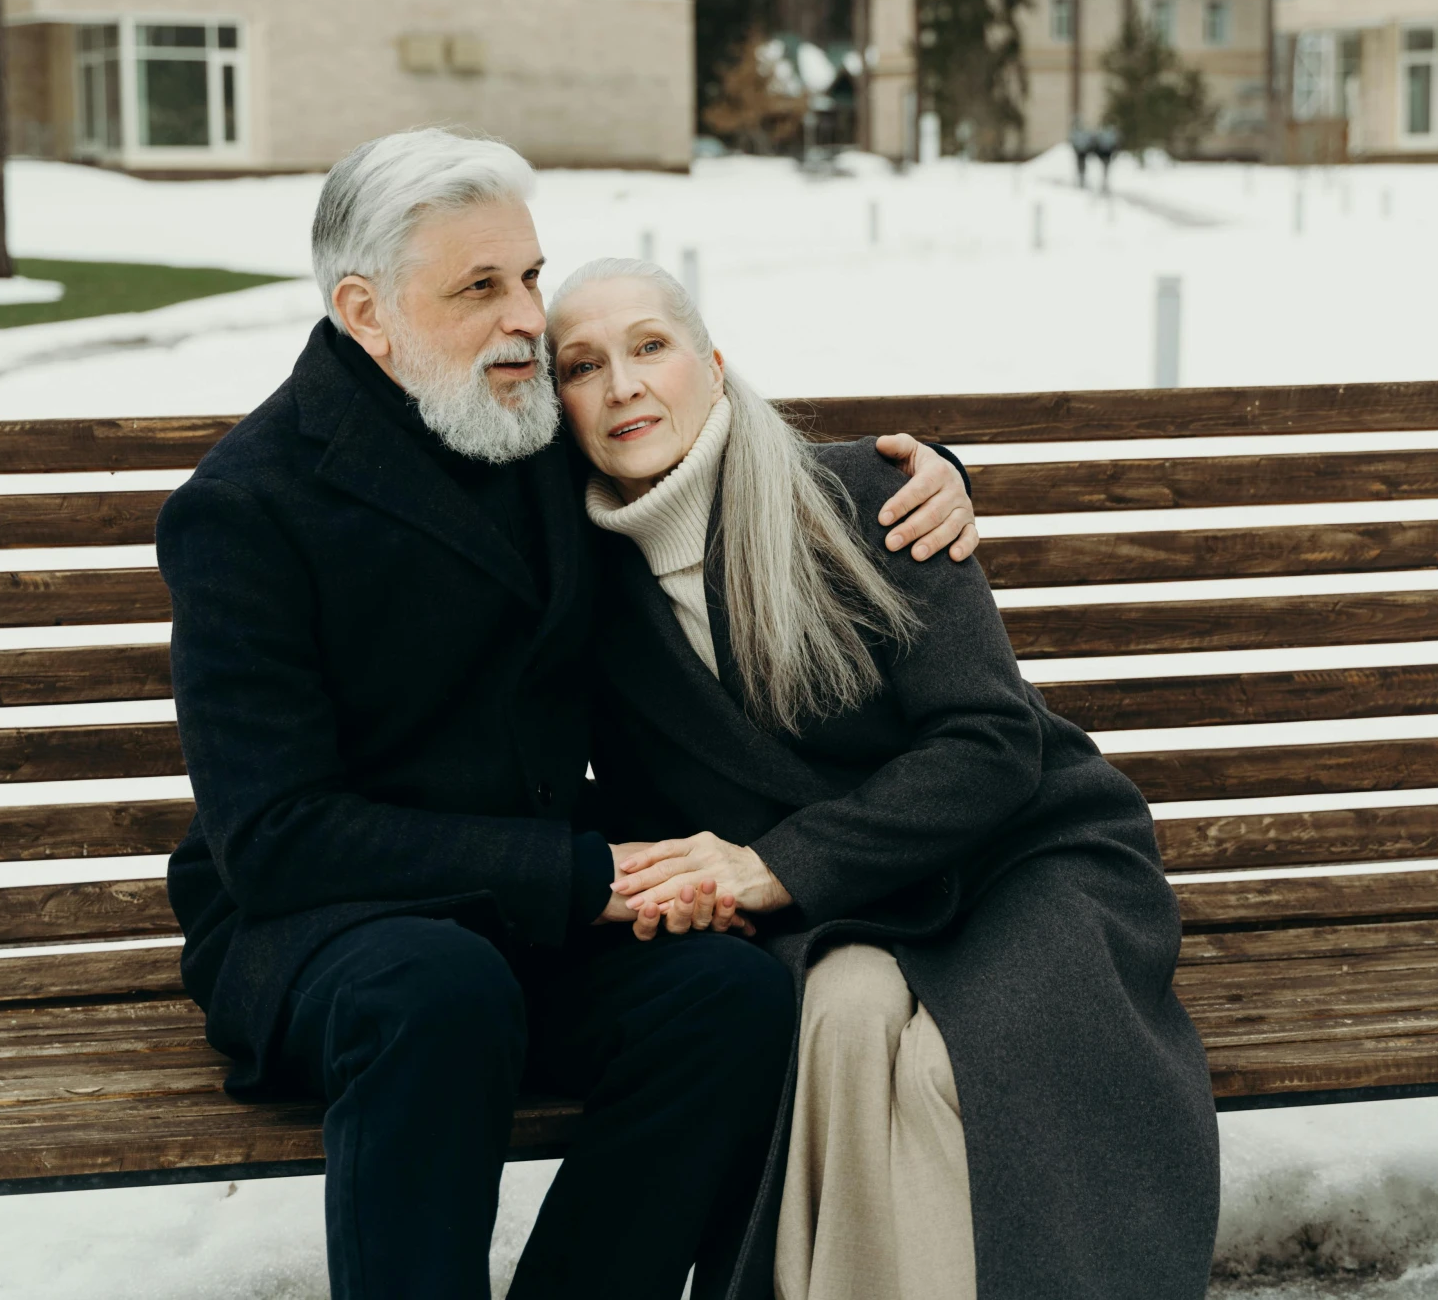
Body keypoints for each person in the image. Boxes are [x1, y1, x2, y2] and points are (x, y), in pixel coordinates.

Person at [156, 128, 981, 1300]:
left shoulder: (524, 421)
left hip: (525, 919)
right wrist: (576, 872)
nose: (525, 319)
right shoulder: (248, 509)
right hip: (322, 930)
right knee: (437, 990)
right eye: (479, 287)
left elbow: (715, 442)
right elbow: (275, 836)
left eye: (531, 277)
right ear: (366, 310)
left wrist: (925, 472)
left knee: (732, 1000)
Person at [547, 258, 1223, 1300]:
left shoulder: (867, 494)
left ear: (714, 366)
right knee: (842, 1024)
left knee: (954, 1071)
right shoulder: (587, 593)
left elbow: (991, 743)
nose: (623, 384)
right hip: (846, 907)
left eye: (650, 346)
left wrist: (774, 865)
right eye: (582, 365)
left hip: (1020, 856)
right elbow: (648, 797)